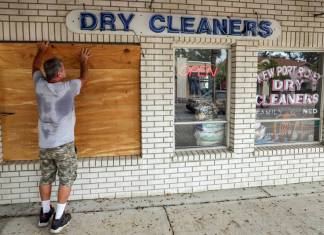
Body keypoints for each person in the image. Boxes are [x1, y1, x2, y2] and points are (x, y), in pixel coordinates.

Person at [32, 41, 90, 233]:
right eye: (63, 69)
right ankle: (58, 220)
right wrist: (83, 61)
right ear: (59, 74)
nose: (65, 71)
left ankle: (44, 214)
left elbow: (34, 67)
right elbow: (84, 78)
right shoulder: (69, 87)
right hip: (64, 146)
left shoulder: (39, 85)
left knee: (46, 178)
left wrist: (41, 51)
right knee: (66, 180)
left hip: (45, 145)